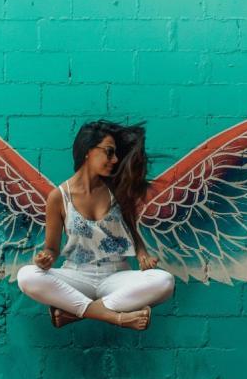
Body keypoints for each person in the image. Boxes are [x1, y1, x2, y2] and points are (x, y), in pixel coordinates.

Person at [16, 120, 175, 330]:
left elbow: (132, 233)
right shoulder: (59, 197)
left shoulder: (118, 190)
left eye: (116, 153)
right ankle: (114, 317)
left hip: (116, 276)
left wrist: (143, 256)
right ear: (87, 151)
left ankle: (73, 314)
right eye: (109, 152)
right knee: (27, 276)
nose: (115, 159)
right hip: (77, 275)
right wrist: (45, 259)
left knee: (164, 281)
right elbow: (52, 249)